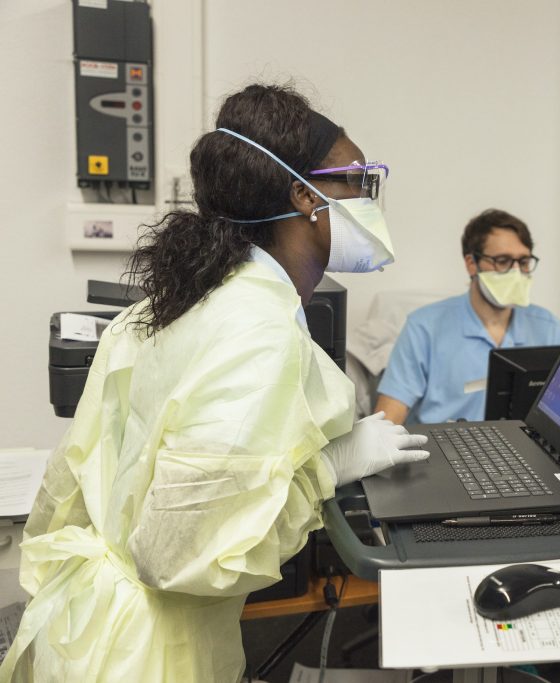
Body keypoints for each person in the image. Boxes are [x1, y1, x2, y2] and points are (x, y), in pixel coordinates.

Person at [0, 84, 429, 682]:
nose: (366, 198)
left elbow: (73, 480)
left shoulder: (188, 297)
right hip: (147, 656)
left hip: (89, 629)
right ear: (305, 195)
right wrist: (325, 469)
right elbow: (176, 554)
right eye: (356, 180)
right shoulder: (255, 331)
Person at [375, 209, 560, 425]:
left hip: (519, 451)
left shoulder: (548, 329)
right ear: (471, 264)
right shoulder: (424, 328)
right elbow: (387, 420)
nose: (516, 273)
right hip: (443, 450)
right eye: (502, 261)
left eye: (523, 262)